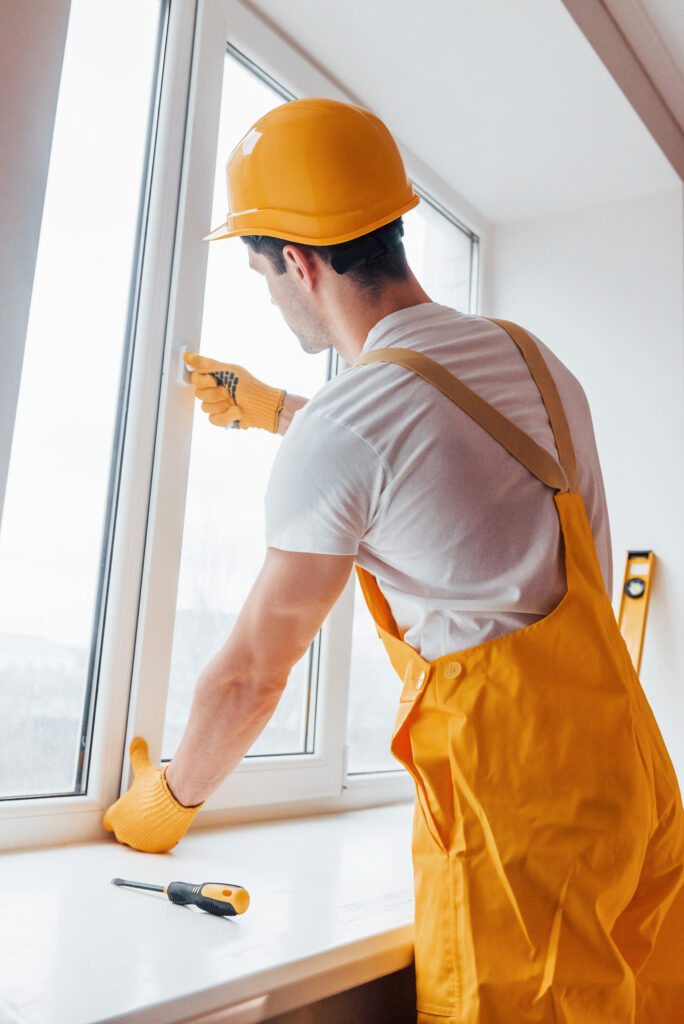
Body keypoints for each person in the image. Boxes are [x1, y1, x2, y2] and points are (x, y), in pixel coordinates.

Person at [103, 97, 684, 1021]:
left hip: (519, 823)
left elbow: (255, 672)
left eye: (263, 276)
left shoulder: (349, 428)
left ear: (297, 262)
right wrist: (281, 409)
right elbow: (448, 471)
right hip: (636, 782)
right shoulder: (538, 363)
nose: (272, 295)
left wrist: (166, 803)